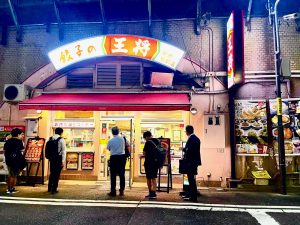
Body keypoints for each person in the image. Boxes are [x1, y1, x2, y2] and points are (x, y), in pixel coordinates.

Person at [182, 125, 201, 203]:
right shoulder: (196, 138)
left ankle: (193, 196)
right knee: (191, 178)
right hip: (194, 161)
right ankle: (190, 194)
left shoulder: (191, 139)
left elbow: (189, 150)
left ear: (187, 131)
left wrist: (184, 149)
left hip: (190, 162)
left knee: (191, 179)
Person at [4, 128, 25, 194]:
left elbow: (5, 151)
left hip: (8, 160)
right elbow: (21, 151)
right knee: (13, 175)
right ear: (18, 134)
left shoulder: (8, 141)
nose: (22, 136)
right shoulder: (19, 141)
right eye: (21, 134)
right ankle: (10, 189)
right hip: (15, 161)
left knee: (10, 174)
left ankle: (9, 188)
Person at [107, 126, 126, 196]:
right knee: (122, 175)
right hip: (121, 158)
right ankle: (121, 191)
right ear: (118, 131)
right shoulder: (122, 139)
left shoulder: (110, 140)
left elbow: (108, 148)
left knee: (113, 175)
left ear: (112, 132)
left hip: (113, 158)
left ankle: (113, 191)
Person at [48, 127, 66, 194]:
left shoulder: (50, 138)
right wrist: (62, 161)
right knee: (57, 174)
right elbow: (63, 151)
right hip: (58, 158)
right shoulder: (61, 140)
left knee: (52, 172)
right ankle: (54, 189)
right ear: (61, 132)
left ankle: (49, 188)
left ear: (55, 132)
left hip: (51, 158)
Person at [143, 131, 160, 199]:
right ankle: (154, 192)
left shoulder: (148, 142)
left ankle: (150, 192)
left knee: (148, 178)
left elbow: (144, 153)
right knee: (154, 178)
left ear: (147, 137)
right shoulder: (157, 141)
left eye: (145, 138)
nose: (145, 139)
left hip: (149, 162)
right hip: (155, 163)